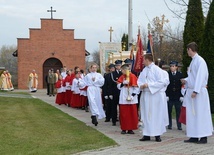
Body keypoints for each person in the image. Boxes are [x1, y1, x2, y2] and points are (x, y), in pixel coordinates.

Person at [182, 42, 213, 144]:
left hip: (199, 92)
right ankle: (194, 135)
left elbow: (200, 77)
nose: (187, 52)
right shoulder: (193, 61)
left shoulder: (200, 61)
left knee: (201, 114)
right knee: (192, 115)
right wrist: (186, 80)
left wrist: (196, 90)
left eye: (187, 50)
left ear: (190, 49)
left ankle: (203, 136)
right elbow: (193, 77)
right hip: (192, 91)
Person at [137, 54, 169, 142]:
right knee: (145, 115)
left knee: (155, 115)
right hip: (146, 95)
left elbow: (161, 82)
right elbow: (139, 80)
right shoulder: (144, 70)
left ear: (147, 60)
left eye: (143, 60)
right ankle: (146, 134)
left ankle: (157, 134)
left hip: (154, 95)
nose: (142, 62)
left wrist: (149, 85)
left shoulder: (157, 70)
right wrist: (141, 85)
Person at [117, 64, 139, 134]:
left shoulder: (133, 76)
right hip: (123, 98)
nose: (122, 72)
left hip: (132, 98)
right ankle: (124, 128)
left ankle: (130, 128)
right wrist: (123, 83)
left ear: (125, 70)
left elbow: (137, 88)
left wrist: (132, 95)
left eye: (122, 70)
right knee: (124, 114)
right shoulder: (122, 77)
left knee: (131, 114)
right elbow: (118, 86)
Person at [166, 61, 183, 130]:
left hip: (177, 95)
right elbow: (166, 85)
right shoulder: (167, 74)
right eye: (171, 66)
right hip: (170, 95)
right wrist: (166, 95)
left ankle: (179, 125)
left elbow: (182, 85)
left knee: (178, 111)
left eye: (173, 66)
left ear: (176, 67)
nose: (172, 68)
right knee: (169, 110)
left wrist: (182, 95)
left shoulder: (180, 74)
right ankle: (169, 124)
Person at [108, 60, 123, 126]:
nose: (118, 67)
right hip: (114, 92)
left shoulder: (123, 73)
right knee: (114, 107)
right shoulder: (112, 74)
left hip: (121, 92)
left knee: (122, 107)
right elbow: (110, 84)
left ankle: (121, 119)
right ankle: (114, 120)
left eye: (119, 65)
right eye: (117, 65)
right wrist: (110, 93)